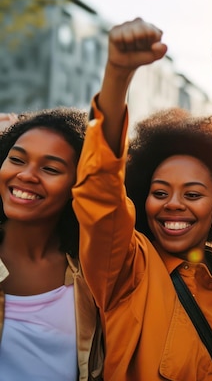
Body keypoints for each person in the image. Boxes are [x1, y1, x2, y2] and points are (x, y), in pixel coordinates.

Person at [71, 18, 212, 380]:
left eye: (193, 194)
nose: (173, 204)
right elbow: (100, 192)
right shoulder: (126, 267)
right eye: (159, 192)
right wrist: (118, 75)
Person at [0, 108, 103, 380]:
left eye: (50, 168)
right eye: (17, 160)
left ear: (77, 186)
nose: (27, 175)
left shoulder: (89, 273)